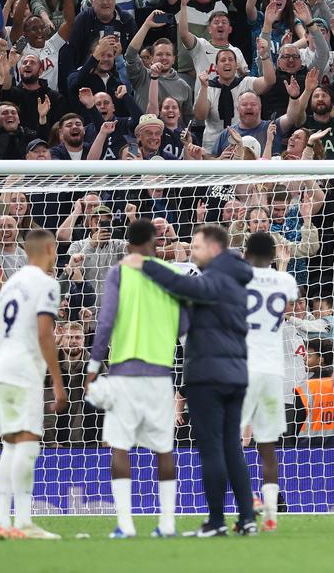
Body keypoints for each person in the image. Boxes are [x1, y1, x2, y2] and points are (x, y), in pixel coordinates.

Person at [123, 224, 257, 537]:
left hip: (209, 374)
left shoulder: (217, 277)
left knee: (212, 448)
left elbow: (194, 290)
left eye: (195, 248)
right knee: (231, 448)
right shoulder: (235, 274)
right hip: (235, 373)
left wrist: (147, 264)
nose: (192, 254)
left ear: (213, 248)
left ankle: (215, 522)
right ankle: (247, 517)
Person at [87, 219, 193, 539]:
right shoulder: (171, 274)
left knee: (120, 446)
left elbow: (105, 321)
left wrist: (93, 367)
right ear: (155, 241)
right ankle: (167, 524)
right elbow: (184, 325)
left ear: (127, 244)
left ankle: (126, 524)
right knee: (164, 449)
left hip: (123, 373)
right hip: (161, 374)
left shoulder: (120, 271)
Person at [0, 229, 66, 540]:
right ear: (48, 247)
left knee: (10, 445)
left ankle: (3, 522)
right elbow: (45, 334)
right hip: (22, 370)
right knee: (28, 444)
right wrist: (57, 384)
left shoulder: (8, 285)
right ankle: (24, 522)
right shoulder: (46, 283)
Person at [238, 231, 299, 533]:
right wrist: (283, 265)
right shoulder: (285, 282)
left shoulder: (239, 279)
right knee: (267, 446)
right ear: (274, 256)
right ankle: (271, 515)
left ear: (246, 253)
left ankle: (247, 500)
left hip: (243, 368)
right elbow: (286, 301)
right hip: (274, 372)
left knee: (231, 439)